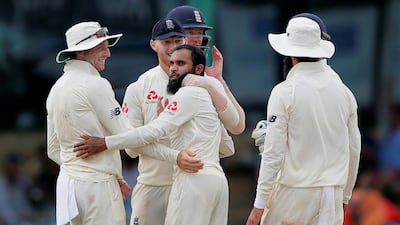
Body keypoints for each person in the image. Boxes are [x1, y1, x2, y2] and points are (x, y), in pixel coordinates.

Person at [74, 44, 233, 225]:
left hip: (191, 179)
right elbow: (230, 143)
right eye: (173, 62)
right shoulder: (205, 92)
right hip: (214, 180)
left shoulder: (187, 94)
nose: (173, 67)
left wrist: (106, 142)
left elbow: (151, 132)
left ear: (197, 69)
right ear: (153, 44)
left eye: (180, 63)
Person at [246, 13, 361, 225]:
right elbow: (354, 152)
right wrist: (344, 196)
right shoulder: (345, 93)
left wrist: (259, 205)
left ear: (289, 55)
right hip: (332, 194)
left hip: (295, 194)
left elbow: (273, 154)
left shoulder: (284, 92)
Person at [119, 17, 237, 225]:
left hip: (190, 181)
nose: (173, 47)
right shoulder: (138, 87)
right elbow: (131, 149)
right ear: (153, 44)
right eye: (166, 42)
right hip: (153, 185)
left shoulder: (202, 84)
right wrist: (175, 154)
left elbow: (227, 143)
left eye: (177, 41)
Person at [46, 21, 132, 225]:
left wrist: (81, 170)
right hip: (98, 186)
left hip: (67, 187)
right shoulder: (96, 84)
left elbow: (53, 150)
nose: (108, 53)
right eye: (101, 47)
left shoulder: (55, 89)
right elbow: (127, 135)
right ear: (82, 52)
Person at [166, 5, 246, 134]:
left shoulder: (205, 80)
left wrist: (218, 80)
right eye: (191, 32)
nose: (197, 39)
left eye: (200, 33)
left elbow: (238, 126)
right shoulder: (146, 82)